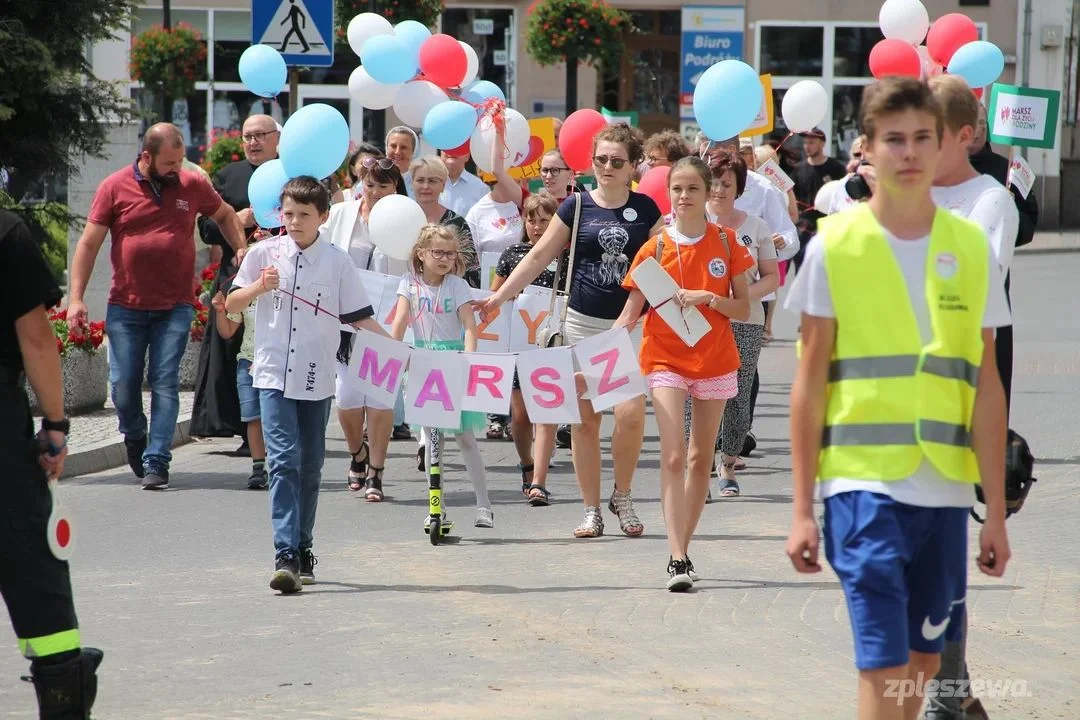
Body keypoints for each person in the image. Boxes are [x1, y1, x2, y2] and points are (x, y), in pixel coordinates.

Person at [784, 77, 1012, 720]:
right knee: (883, 666)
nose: (909, 153)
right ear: (869, 148)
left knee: (923, 665)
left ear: (943, 143)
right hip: (861, 489)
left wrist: (993, 509)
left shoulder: (970, 248)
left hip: (942, 492)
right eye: (894, 140)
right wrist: (802, 507)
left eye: (922, 138)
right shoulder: (835, 244)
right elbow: (809, 383)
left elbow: (985, 385)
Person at [476, 123, 665, 539]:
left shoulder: (647, 210)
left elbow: (657, 271)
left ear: (634, 165)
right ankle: (592, 510)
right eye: (601, 160)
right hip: (578, 324)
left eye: (618, 161)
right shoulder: (576, 206)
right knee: (584, 422)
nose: (608, 167)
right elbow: (539, 256)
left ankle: (623, 495)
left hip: (627, 329)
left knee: (631, 414)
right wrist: (497, 299)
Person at [227, 177, 388, 593]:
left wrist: (400, 351)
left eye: (303, 215)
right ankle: (284, 553)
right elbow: (230, 304)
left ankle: (304, 545)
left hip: (316, 376)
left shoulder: (337, 263)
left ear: (323, 217)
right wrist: (258, 287)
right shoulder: (263, 254)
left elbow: (360, 317)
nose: (294, 222)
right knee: (282, 461)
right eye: (288, 214)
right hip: (271, 373)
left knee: (310, 466)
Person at [68, 123, 245, 490]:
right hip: (126, 307)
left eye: (180, 161)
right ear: (146, 157)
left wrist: (239, 247)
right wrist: (76, 298)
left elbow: (226, 214)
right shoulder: (114, 187)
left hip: (175, 306)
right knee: (122, 386)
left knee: (164, 382)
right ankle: (134, 434)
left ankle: (158, 459)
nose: (176, 169)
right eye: (169, 162)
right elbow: (88, 245)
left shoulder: (191, 184)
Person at [924, 75, 1021, 720]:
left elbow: (978, 273)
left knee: (941, 535)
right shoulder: (899, 194)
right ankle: (955, 690)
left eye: (927, 132)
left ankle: (944, 694)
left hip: (970, 371)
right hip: (903, 379)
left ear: (965, 134)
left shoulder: (990, 198)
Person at [615, 157, 753, 589]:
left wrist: (709, 298)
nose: (684, 196)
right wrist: (587, 355)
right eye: (677, 188)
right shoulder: (653, 249)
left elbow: (743, 308)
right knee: (674, 455)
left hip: (714, 360)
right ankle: (676, 558)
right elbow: (629, 315)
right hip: (664, 359)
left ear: (708, 192)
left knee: (699, 459)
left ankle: (684, 549)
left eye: (693, 188)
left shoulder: (728, 243)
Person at [0, 210, 104, 718]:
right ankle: (62, 687)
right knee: (27, 560)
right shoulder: (4, 231)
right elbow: (37, 339)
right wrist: (56, 426)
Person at [389, 224, 493, 529]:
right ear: (422, 254)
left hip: (453, 361)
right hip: (423, 362)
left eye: (450, 253)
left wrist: (469, 361)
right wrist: (394, 353)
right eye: (438, 252)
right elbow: (399, 321)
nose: (445, 259)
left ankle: (484, 504)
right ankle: (437, 507)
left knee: (464, 437)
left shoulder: (457, 285)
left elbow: (470, 327)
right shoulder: (408, 283)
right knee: (433, 441)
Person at [322, 153, 407, 497]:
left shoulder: (405, 218)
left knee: (381, 400)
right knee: (347, 398)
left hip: (384, 321)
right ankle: (357, 452)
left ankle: (377, 470)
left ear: (395, 187)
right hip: (344, 320)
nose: (373, 191)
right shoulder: (342, 214)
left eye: (382, 186)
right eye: (369, 184)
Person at [191, 114, 280, 445]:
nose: (253, 142)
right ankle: (242, 428)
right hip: (236, 276)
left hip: (280, 278)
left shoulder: (293, 176)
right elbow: (206, 227)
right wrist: (238, 221)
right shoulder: (229, 177)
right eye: (247, 137)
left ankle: (271, 428)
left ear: (276, 139)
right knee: (233, 350)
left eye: (260, 135)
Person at [704, 155, 779, 496]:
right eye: (714, 182)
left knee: (737, 390)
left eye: (727, 184)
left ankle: (728, 461)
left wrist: (742, 298)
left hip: (745, 320)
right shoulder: (689, 223)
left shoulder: (756, 227)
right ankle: (699, 458)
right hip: (700, 321)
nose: (719, 190)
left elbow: (771, 277)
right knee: (698, 390)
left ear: (738, 189)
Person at [492, 192, 561, 505]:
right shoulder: (512, 254)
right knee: (520, 415)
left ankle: (539, 482)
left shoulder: (566, 255)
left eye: (544, 220)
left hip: (552, 344)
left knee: (547, 413)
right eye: (531, 219)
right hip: (519, 344)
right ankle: (526, 464)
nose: (536, 226)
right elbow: (495, 296)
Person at [466, 123, 530, 442]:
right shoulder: (478, 212)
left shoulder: (523, 202)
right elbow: (473, 257)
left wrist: (502, 136)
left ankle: (524, 411)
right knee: (497, 349)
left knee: (521, 348)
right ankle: (496, 415)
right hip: (495, 286)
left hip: (530, 288)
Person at [210, 279, 267, 490]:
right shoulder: (243, 295)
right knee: (253, 417)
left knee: (277, 415)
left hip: (276, 362)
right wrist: (219, 311)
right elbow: (227, 332)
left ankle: (285, 465)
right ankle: (258, 467)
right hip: (248, 362)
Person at [411, 156, 480, 287]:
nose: (425, 186)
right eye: (420, 180)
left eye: (432, 181)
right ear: (412, 183)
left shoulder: (457, 223)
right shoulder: (401, 218)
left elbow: (471, 271)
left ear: (443, 186)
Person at [439, 148, 488, 217]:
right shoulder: (427, 184)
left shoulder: (481, 188)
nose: (452, 151)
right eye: (448, 146)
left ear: (467, 156)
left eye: (457, 147)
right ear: (441, 153)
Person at [386, 126, 418, 195]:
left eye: (403, 147)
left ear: (413, 152)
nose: (397, 152)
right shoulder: (373, 178)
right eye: (393, 146)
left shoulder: (421, 182)